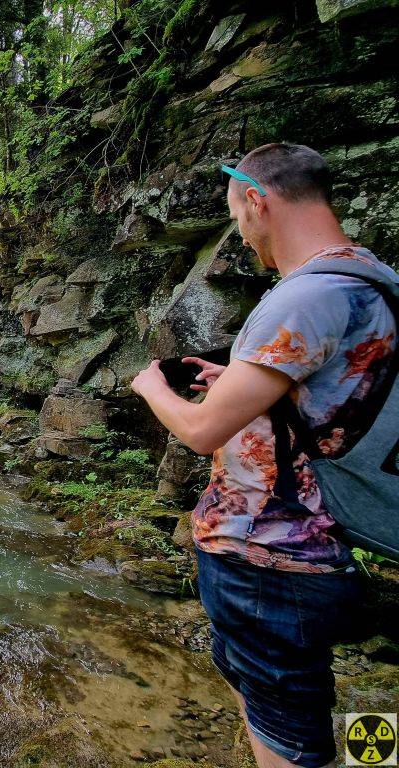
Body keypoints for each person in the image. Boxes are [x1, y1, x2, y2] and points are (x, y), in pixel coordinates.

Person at [130, 142, 397, 768]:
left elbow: (197, 432)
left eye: (238, 217)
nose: (242, 235)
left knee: (288, 736)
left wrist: (152, 389)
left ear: (258, 200)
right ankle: (370, 757)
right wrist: (236, 380)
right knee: (283, 696)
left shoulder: (304, 298)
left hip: (270, 555)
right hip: (317, 538)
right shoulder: (369, 278)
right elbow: (331, 400)